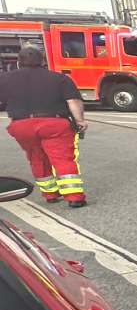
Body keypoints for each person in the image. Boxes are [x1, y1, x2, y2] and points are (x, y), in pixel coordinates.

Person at [0, 47, 89, 207]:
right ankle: (74, 197)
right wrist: (79, 120)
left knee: (36, 158)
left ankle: (50, 194)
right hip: (53, 123)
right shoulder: (59, 78)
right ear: (42, 60)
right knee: (62, 159)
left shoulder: (5, 79)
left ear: (19, 62)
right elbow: (73, 101)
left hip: (21, 124)